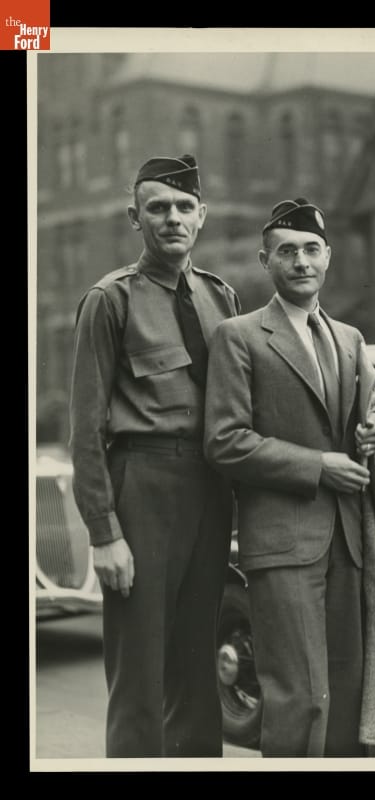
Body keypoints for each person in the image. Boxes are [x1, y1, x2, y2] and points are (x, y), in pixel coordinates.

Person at [203, 198, 375, 757]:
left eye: (312, 249)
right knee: (301, 698)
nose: (301, 261)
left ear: (328, 257)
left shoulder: (349, 338)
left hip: (349, 543)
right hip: (284, 545)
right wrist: (319, 466)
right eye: (287, 251)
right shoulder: (239, 336)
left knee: (346, 695)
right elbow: (224, 440)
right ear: (265, 260)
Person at [69, 154, 240, 757]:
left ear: (202, 216)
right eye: (158, 208)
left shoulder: (221, 297)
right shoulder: (109, 299)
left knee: (198, 672)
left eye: (184, 207)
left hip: (209, 491)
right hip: (143, 487)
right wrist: (104, 534)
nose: (173, 218)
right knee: (140, 673)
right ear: (134, 218)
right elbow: (85, 428)